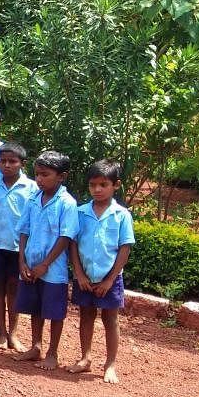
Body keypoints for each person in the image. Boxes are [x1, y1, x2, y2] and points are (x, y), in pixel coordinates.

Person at [68, 159, 134, 383]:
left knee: (110, 319)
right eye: (93, 185)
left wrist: (110, 280)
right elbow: (73, 244)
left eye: (103, 185)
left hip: (110, 278)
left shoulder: (122, 215)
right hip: (85, 276)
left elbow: (124, 249)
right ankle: (85, 358)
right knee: (86, 316)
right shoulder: (80, 212)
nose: (97, 189)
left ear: (116, 185)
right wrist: (79, 274)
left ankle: (110, 364)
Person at [13, 151, 79, 370]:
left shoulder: (66, 203)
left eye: (45, 175)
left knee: (54, 311)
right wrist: (22, 260)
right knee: (35, 307)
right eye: (37, 174)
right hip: (31, 262)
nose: (39, 179)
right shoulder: (33, 198)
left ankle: (53, 352)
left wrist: (45, 264)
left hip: (54, 268)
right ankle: (36, 346)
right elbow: (24, 229)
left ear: (61, 176)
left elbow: (65, 237)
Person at [0, 141, 35, 350]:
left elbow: (33, 221)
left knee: (14, 289)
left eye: (12, 161)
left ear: (22, 163)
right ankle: (2, 333)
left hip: (18, 248)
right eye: (3, 161)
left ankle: (13, 333)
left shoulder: (31, 188)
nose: (7, 165)